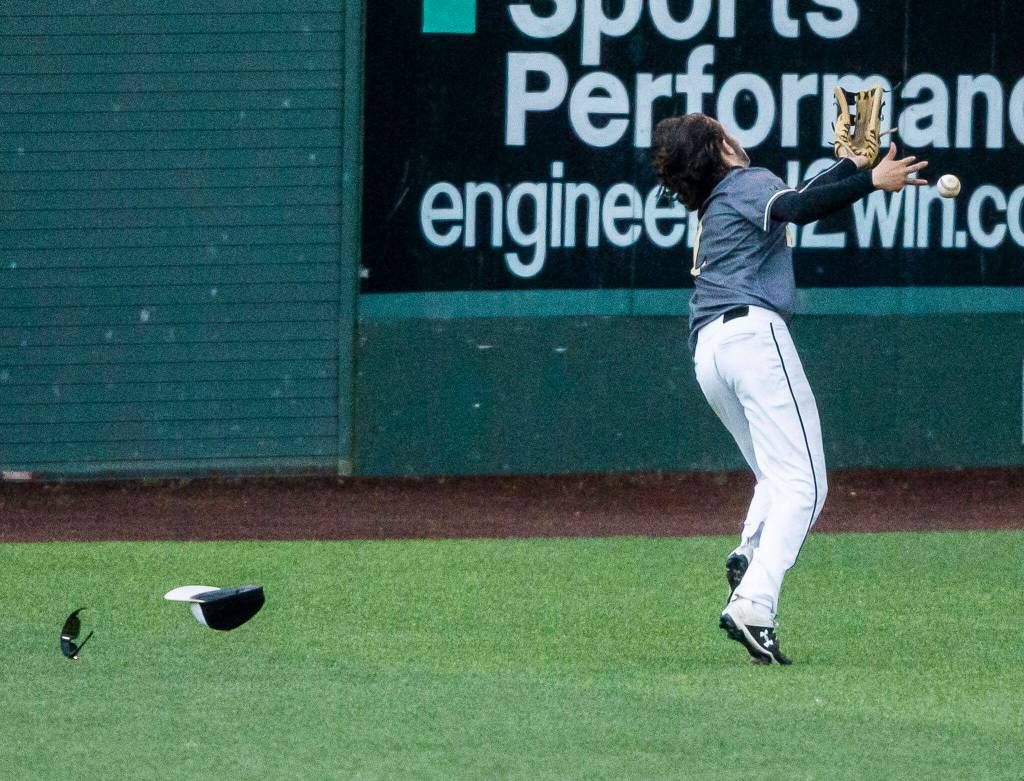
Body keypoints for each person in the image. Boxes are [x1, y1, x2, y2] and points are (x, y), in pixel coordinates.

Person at [651, 114, 927, 664]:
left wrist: (851, 163)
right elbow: (799, 206)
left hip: (710, 350)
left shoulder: (720, 200)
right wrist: (871, 181)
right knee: (807, 486)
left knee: (777, 478)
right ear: (723, 146)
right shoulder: (748, 183)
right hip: (753, 335)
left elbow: (797, 196)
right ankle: (754, 600)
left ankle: (750, 551)